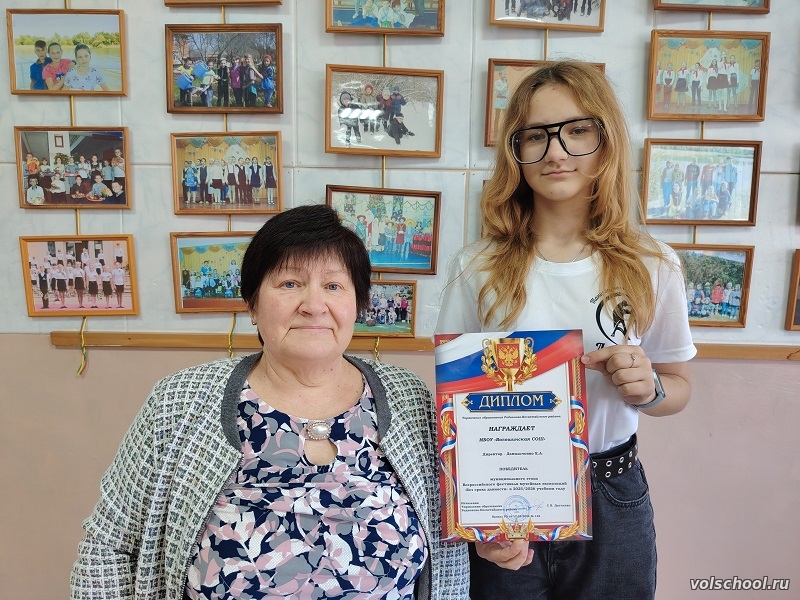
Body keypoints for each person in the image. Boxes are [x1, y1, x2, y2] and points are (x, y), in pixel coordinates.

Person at [71, 203, 469, 599]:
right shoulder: (179, 401)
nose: (313, 305)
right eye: (290, 284)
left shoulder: (408, 399)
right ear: (252, 304)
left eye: (333, 286)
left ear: (358, 304)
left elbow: (449, 550)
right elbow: (108, 544)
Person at [435, 61, 695, 600]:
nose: (555, 151)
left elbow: (678, 387)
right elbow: (454, 404)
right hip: (506, 491)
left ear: (607, 141)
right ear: (515, 153)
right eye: (535, 136)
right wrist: (475, 517)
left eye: (577, 130)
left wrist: (650, 388)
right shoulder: (476, 267)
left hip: (611, 489)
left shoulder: (652, 264)